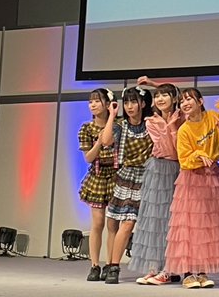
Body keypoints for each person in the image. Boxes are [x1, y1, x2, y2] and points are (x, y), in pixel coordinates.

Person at [164, 87, 219, 289]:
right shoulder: (184, 129)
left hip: (212, 176)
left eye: (189, 99)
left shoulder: (212, 118)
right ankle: (188, 272)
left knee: (208, 225)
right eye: (182, 101)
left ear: (200, 101)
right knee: (190, 225)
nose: (185, 104)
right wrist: (197, 155)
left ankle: (202, 270)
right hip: (192, 178)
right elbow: (184, 159)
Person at [129, 80, 184, 286]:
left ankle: (170, 268)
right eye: (157, 95)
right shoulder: (152, 121)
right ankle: (155, 266)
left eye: (165, 95)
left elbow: (177, 149)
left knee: (172, 220)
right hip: (158, 168)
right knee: (154, 219)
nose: (160, 98)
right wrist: (171, 125)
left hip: (177, 169)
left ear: (174, 98)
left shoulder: (182, 118)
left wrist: (153, 83)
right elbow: (166, 146)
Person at [101, 86, 154, 284]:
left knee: (149, 224)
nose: (130, 106)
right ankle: (113, 266)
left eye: (134, 102)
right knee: (123, 222)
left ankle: (159, 267)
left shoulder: (151, 123)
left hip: (149, 176)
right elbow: (106, 141)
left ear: (143, 103)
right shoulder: (121, 125)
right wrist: (111, 115)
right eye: (127, 102)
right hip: (127, 177)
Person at [78, 87, 120, 282]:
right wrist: (99, 143)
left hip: (117, 176)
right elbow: (88, 157)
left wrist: (112, 118)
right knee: (97, 223)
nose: (93, 105)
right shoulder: (86, 128)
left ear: (108, 104)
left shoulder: (118, 125)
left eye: (97, 101)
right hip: (97, 176)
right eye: (91, 101)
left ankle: (111, 264)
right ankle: (94, 265)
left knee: (113, 224)